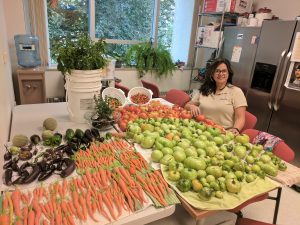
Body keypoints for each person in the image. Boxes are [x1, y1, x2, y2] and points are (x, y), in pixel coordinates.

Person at [185, 58, 247, 135]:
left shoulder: (236, 92)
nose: (221, 74)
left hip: (222, 134)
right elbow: (187, 105)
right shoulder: (206, 89)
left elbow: (240, 118)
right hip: (200, 129)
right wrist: (191, 107)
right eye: (217, 71)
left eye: (224, 71)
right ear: (212, 74)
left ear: (228, 73)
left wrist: (236, 129)